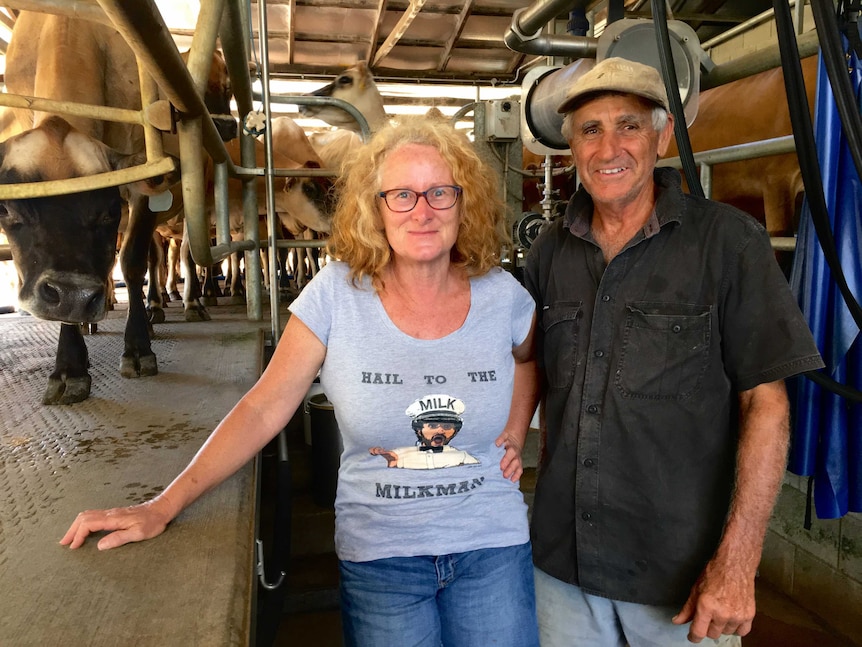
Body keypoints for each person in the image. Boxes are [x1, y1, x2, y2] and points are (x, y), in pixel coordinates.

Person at [61, 114, 540, 647]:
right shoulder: (336, 294)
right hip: (382, 556)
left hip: (492, 544)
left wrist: (516, 431)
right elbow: (266, 407)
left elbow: (528, 360)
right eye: (401, 195)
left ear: (463, 203)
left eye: (439, 193)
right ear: (376, 208)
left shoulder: (502, 295)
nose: (422, 211)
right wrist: (162, 505)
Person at [523, 57, 825, 647]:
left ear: (662, 137)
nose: (608, 146)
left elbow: (766, 404)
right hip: (561, 567)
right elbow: (525, 368)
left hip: (680, 578)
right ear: (572, 148)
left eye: (628, 125)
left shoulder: (728, 244)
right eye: (589, 129)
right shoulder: (551, 252)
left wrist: (737, 563)